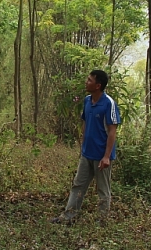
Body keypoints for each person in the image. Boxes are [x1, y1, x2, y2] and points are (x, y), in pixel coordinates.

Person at [50, 69, 121, 225]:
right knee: (78, 185)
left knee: (103, 190)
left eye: (89, 80)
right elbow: (85, 123)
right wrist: (83, 145)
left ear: (98, 85)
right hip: (86, 154)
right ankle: (68, 217)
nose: (86, 82)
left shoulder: (109, 103)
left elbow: (112, 132)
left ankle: (101, 222)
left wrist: (107, 156)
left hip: (102, 156)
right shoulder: (87, 101)